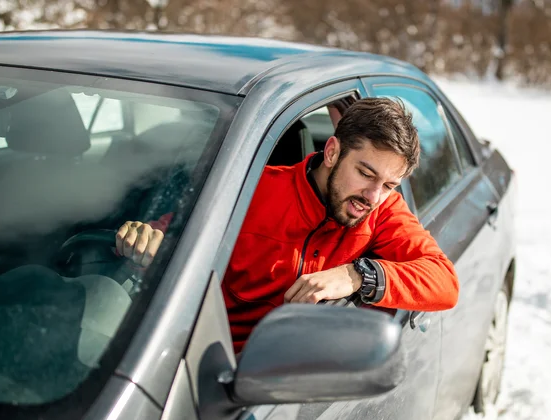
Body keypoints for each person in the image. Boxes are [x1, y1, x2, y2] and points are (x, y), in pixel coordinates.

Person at [116, 98, 460, 353]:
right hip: (205, 371)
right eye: (365, 173)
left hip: (296, 384)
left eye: (389, 185)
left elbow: (444, 282)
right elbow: (162, 237)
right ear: (332, 152)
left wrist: (357, 275)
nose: (372, 196)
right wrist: (141, 238)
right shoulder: (247, 191)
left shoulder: (383, 211)